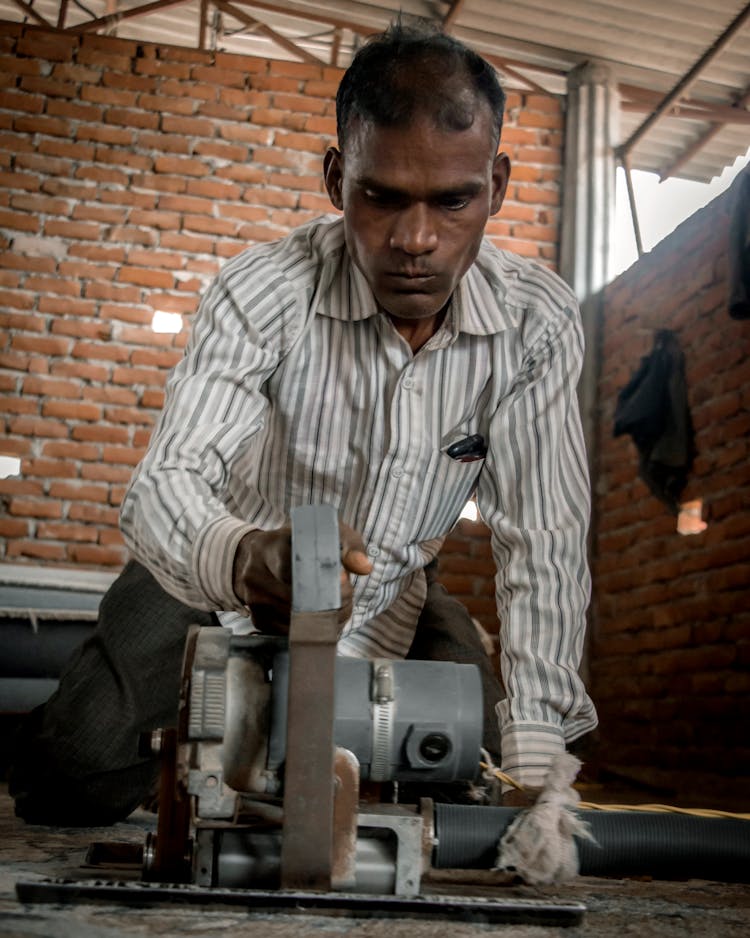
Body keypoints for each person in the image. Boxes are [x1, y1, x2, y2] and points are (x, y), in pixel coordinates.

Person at [10, 20, 597, 825]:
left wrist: (537, 749)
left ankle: (309, 764)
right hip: (218, 583)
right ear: (335, 178)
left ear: (495, 186)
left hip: (393, 591)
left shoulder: (538, 322)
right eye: (380, 197)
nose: (415, 240)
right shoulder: (263, 291)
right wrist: (244, 556)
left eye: (452, 201)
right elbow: (164, 487)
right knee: (67, 779)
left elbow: (542, 536)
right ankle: (231, 770)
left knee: (480, 783)